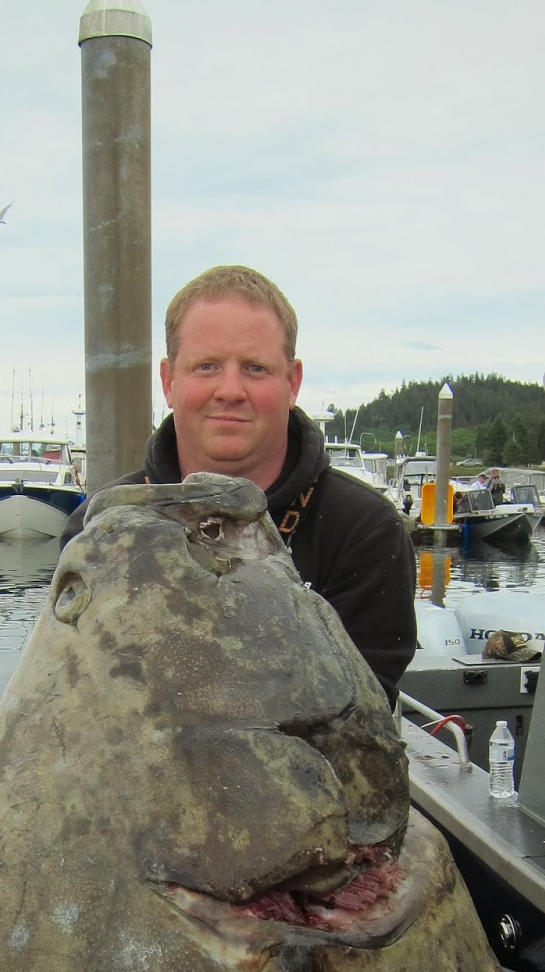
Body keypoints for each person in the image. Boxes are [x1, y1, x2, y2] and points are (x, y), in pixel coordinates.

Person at [63, 265, 417, 700]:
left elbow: (356, 721)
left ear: (292, 382)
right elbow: (79, 692)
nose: (230, 390)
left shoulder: (364, 531)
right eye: (206, 366)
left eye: (255, 368)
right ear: (169, 382)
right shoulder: (99, 529)